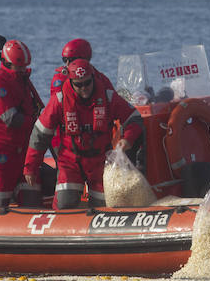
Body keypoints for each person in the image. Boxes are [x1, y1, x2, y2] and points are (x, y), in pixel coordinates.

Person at [25, 58, 143, 209]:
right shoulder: (59, 101)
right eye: (78, 84)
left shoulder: (108, 97)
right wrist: (30, 167)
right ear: (71, 82)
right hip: (70, 162)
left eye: (87, 83)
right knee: (64, 204)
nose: (84, 88)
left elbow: (134, 118)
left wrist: (128, 139)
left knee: (104, 207)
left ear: (93, 78)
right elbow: (40, 135)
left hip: (101, 161)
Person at [0, 40, 39, 207]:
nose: (23, 70)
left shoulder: (22, 82)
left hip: (23, 151)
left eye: (24, 67)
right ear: (7, 63)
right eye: (19, 67)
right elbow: (13, 119)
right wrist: (39, 125)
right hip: (1, 150)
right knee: (0, 199)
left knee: (32, 199)